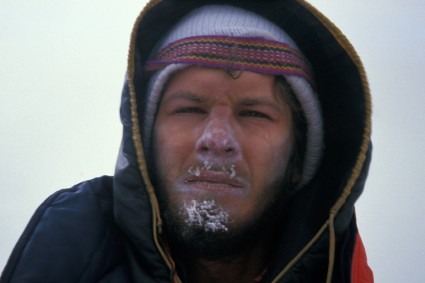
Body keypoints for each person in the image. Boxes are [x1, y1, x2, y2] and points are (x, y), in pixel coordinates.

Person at [1, 0, 374, 282]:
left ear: (298, 160)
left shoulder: (343, 270)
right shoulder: (65, 254)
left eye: (254, 113)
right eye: (190, 109)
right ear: (145, 144)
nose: (217, 139)